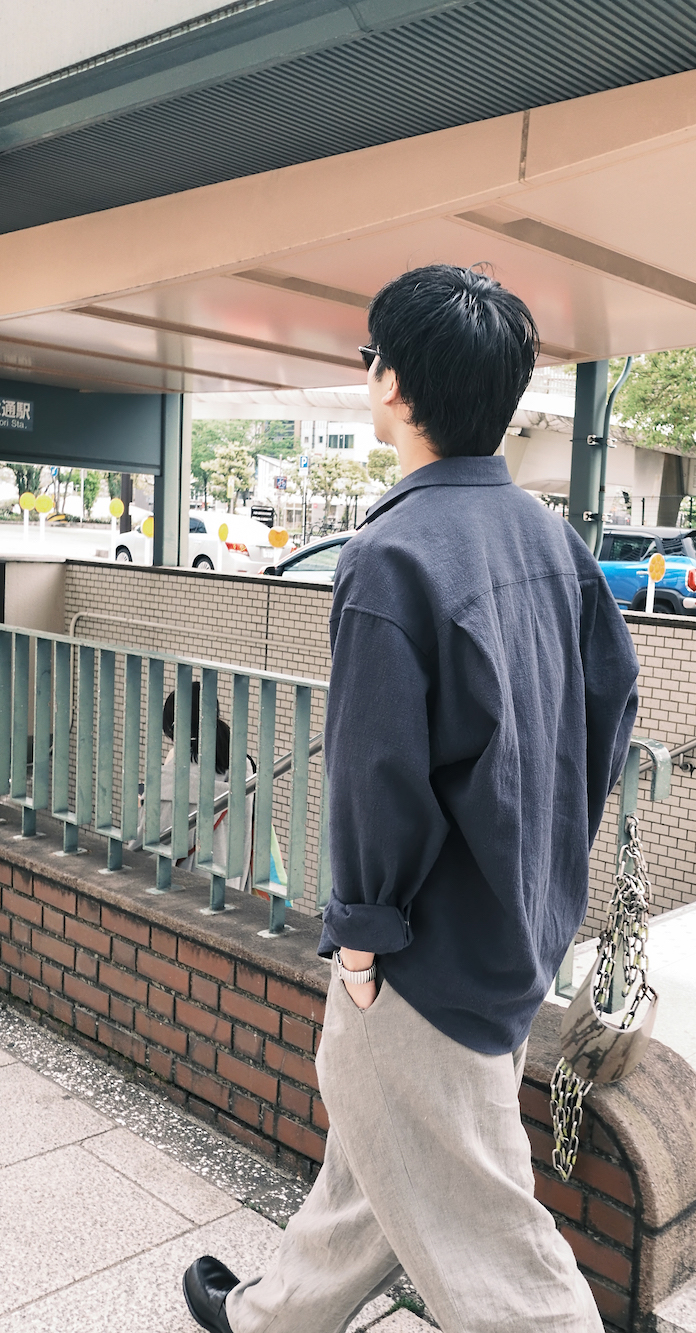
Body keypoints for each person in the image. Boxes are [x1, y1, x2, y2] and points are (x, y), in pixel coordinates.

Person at [183, 265, 639, 1333]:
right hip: (516, 923)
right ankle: (270, 1316)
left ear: (391, 383)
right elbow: (610, 707)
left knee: (491, 1231)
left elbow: (374, 776)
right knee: (386, 1144)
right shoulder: (550, 539)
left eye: (370, 356)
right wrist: (545, 858)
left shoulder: (390, 555)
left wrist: (360, 942)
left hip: (422, 953)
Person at [134, 685, 253, 894]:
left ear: (173, 728)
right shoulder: (242, 764)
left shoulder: (171, 776)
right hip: (229, 889)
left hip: (184, 893)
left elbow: (146, 849)